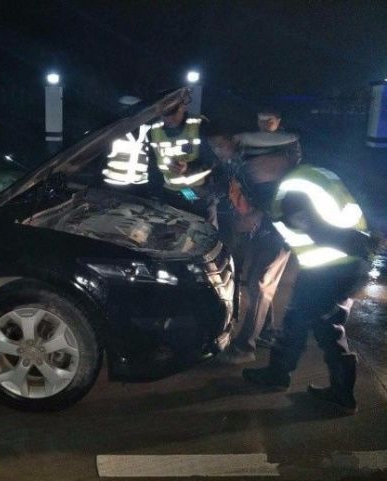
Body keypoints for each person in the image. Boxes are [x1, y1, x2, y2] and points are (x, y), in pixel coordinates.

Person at [241, 162, 373, 415]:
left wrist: (271, 218)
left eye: (258, 166)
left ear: (274, 163)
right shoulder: (309, 176)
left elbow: (318, 229)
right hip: (333, 267)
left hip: (331, 269)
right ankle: (280, 374)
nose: (255, 172)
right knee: (297, 320)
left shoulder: (291, 193)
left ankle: (342, 395)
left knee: (326, 328)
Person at [216, 134, 297, 364]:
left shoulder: (280, 177)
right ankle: (266, 332)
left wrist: (256, 215)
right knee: (258, 281)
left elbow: (279, 210)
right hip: (265, 231)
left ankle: (245, 347)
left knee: (260, 284)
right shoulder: (251, 171)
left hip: (280, 233)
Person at [146, 102, 212, 217]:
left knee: (195, 223)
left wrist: (188, 167)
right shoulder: (154, 130)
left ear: (183, 106)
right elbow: (152, 165)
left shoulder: (200, 124)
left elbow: (211, 158)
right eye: (165, 114)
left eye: (173, 113)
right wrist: (157, 194)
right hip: (168, 192)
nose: (170, 118)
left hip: (195, 191)